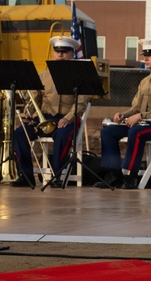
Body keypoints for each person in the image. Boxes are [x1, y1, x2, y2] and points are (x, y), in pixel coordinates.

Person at [12, 36, 92, 187]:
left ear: (72, 54)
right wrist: (29, 114)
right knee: (19, 133)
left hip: (66, 118)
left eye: (65, 51)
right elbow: (35, 99)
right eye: (57, 51)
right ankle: (26, 175)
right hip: (44, 118)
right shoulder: (43, 75)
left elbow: (80, 104)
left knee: (62, 135)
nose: (60, 54)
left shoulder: (80, 75)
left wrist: (68, 118)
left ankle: (56, 174)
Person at [98, 38, 151, 189]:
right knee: (108, 132)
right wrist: (123, 115)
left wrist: (141, 116)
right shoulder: (144, 81)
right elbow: (136, 107)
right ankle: (113, 174)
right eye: (144, 55)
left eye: (149, 55)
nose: (145, 58)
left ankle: (130, 175)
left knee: (136, 132)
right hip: (141, 122)